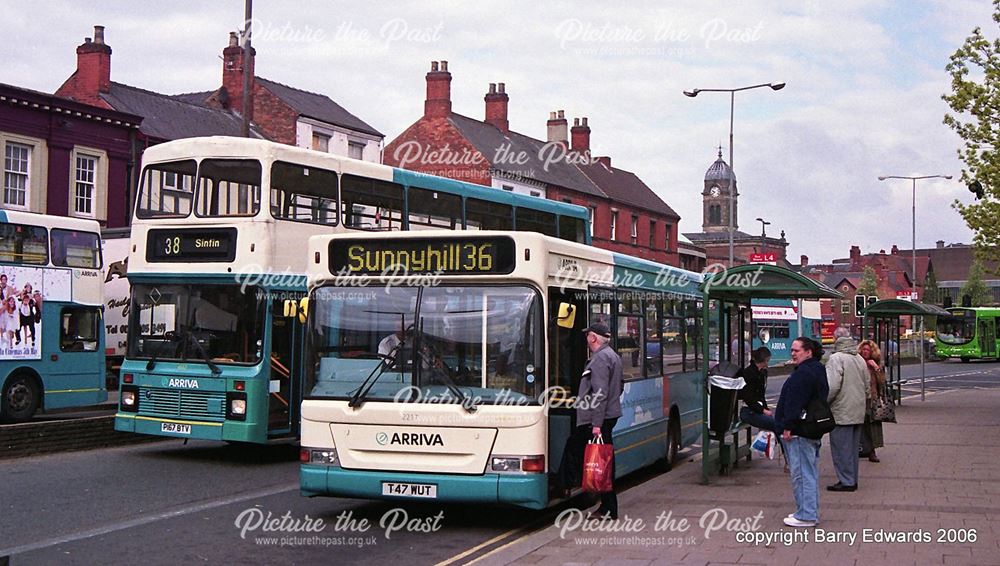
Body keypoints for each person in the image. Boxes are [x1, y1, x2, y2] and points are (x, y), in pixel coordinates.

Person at [557, 321, 624, 520]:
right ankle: (607, 506)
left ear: (593, 337)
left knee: (578, 450)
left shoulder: (600, 359)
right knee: (603, 461)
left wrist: (596, 424)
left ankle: (566, 485)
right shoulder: (612, 356)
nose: (586, 339)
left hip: (596, 419)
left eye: (588, 335)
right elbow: (618, 386)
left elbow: (600, 393)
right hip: (606, 416)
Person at [775, 337, 828, 528]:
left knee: (802, 474)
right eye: (792, 350)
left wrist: (788, 426)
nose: (793, 353)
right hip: (811, 429)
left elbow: (794, 403)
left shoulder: (803, 374)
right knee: (809, 472)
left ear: (808, 352)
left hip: (799, 432)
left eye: (796, 350)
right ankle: (807, 510)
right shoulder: (817, 369)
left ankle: (806, 515)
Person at [824, 328, 869, 492]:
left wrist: (824, 402)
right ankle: (852, 479)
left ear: (836, 339)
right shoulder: (859, 359)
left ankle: (846, 481)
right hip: (858, 410)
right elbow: (867, 385)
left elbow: (832, 386)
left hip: (841, 411)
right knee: (852, 449)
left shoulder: (836, 358)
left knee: (841, 449)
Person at [858, 339, 886, 463]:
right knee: (860, 426)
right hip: (860, 399)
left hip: (872, 400)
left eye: (868, 350)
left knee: (873, 426)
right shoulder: (858, 363)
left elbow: (882, 382)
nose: (865, 352)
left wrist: (875, 367)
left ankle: (872, 451)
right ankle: (861, 449)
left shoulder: (874, 364)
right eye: (863, 350)